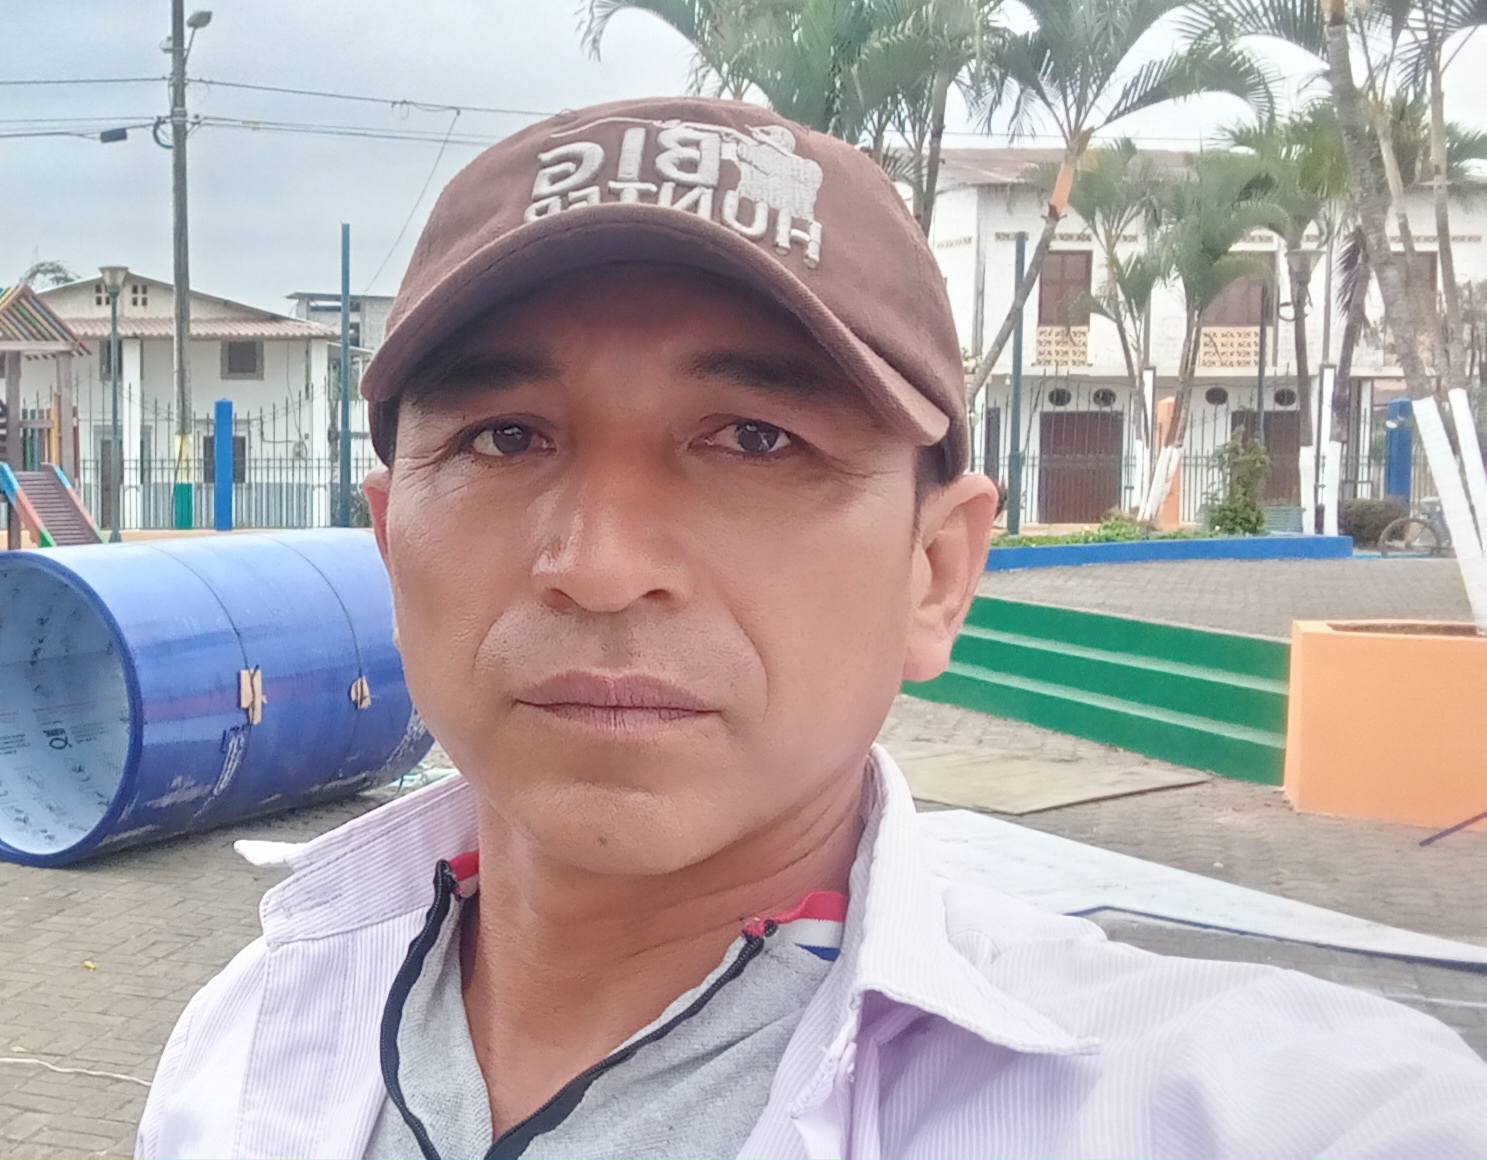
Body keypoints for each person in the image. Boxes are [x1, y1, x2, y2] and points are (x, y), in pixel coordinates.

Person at [136, 96, 1487, 1159]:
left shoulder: (1246, 1108)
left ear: (936, 572)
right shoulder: (246, 1039)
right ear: (390, 542)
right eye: (503, 436)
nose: (599, 566)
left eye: (756, 438)